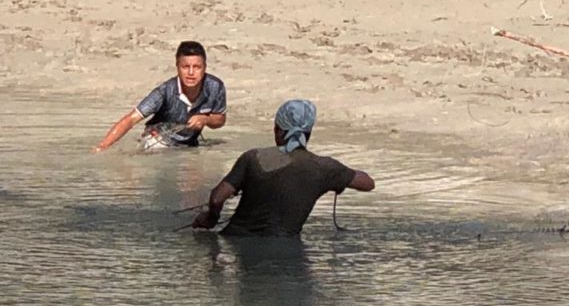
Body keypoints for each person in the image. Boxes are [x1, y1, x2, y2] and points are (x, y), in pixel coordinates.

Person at [192, 100, 375, 236]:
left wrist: (210, 218)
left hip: (236, 240)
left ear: (277, 129)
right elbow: (368, 184)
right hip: (285, 246)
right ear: (309, 133)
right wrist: (338, 178)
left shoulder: (253, 158)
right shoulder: (325, 168)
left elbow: (216, 198)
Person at [92, 41, 227, 153]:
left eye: (197, 67)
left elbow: (220, 120)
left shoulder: (216, 87)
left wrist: (205, 119)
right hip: (158, 141)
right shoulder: (164, 92)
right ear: (177, 67)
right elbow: (131, 119)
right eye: (185, 67)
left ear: (205, 68)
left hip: (190, 144)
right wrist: (102, 147)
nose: (191, 73)